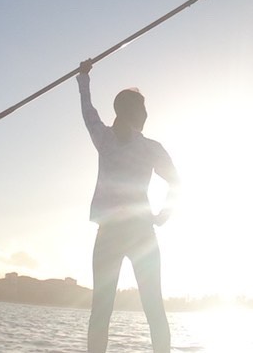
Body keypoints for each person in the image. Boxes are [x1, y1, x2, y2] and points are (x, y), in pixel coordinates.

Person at [77, 59, 179, 353]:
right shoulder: (150, 148)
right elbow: (178, 183)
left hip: (109, 232)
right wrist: (164, 215)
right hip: (141, 233)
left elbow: (88, 112)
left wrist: (83, 78)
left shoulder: (105, 138)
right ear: (139, 114)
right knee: (153, 307)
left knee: (101, 310)